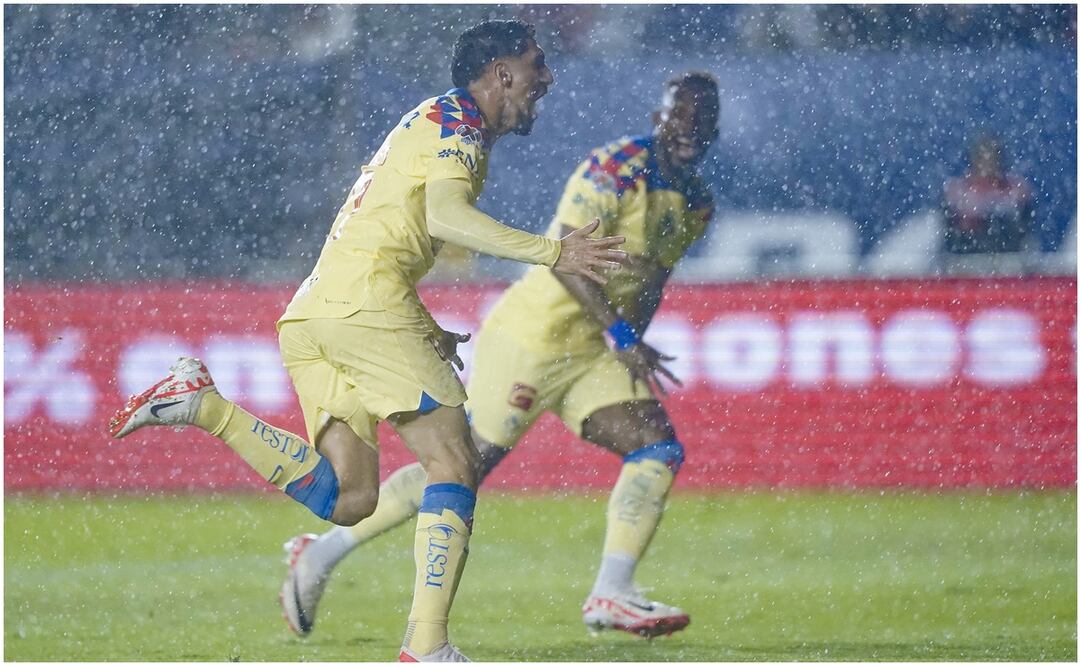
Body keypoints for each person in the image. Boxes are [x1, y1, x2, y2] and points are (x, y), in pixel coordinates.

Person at [109, 19, 626, 663]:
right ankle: (427, 645)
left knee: (349, 498)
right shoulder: (458, 124)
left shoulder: (435, 121)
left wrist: (425, 326)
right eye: (536, 65)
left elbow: (391, 231)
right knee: (454, 463)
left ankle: (205, 406)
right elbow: (444, 218)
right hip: (366, 306)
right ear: (501, 72)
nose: (546, 78)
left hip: (316, 311)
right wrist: (555, 252)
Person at [280, 71, 719, 640]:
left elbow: (653, 279)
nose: (690, 129)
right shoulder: (613, 169)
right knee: (463, 466)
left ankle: (612, 591)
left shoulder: (696, 203)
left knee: (656, 446)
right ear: (659, 117)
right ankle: (322, 552)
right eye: (680, 115)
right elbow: (568, 259)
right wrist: (624, 337)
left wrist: (630, 340)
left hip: (594, 351)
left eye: (702, 120)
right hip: (533, 339)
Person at [941, 133, 1035, 274]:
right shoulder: (958, 193)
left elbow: (1024, 235)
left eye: (993, 158)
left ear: (1001, 160)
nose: (988, 163)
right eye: (983, 158)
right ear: (973, 160)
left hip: (1008, 266)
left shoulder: (1017, 191)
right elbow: (951, 239)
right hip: (966, 266)